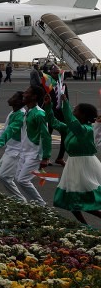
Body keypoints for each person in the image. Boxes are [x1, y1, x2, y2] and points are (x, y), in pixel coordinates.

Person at [45, 92, 101, 224]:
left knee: (83, 199)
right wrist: (48, 106)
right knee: (71, 200)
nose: (73, 111)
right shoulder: (71, 129)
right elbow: (53, 122)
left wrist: (65, 104)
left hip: (85, 165)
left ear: (82, 115)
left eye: (75, 110)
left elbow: (71, 121)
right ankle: (85, 226)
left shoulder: (87, 130)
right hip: (73, 165)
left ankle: (87, 225)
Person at [0, 91, 27, 202]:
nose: (11, 98)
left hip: (17, 151)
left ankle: (21, 200)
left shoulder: (21, 115)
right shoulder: (13, 112)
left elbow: (11, 129)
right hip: (10, 148)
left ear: (20, 102)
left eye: (14, 97)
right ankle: (17, 198)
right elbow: (4, 129)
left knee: (5, 176)